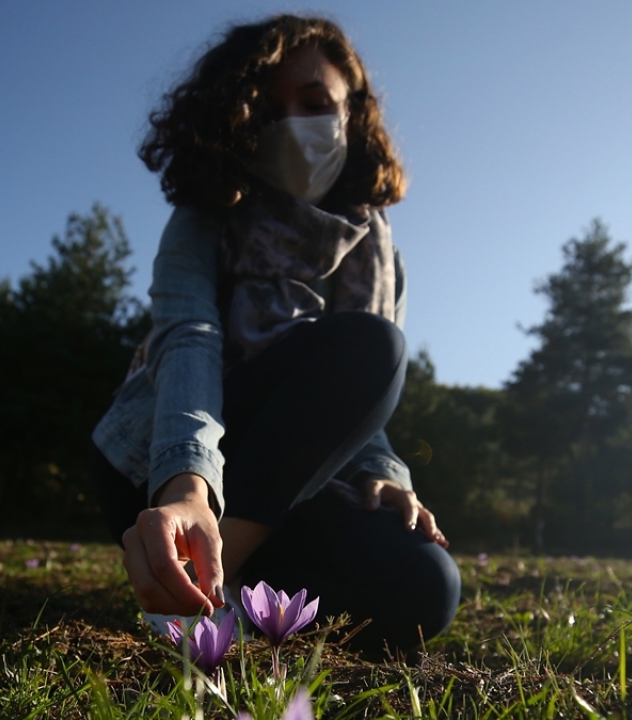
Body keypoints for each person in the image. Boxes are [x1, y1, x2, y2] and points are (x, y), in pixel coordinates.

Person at [90, 15, 460, 653]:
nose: (292, 125)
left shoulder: (377, 251)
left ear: (353, 114)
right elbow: (188, 339)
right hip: (160, 462)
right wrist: (186, 489)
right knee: (372, 344)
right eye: (267, 109)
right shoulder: (206, 217)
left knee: (426, 585)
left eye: (315, 105)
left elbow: (351, 402)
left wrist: (383, 472)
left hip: (283, 486)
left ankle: (223, 584)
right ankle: (200, 585)